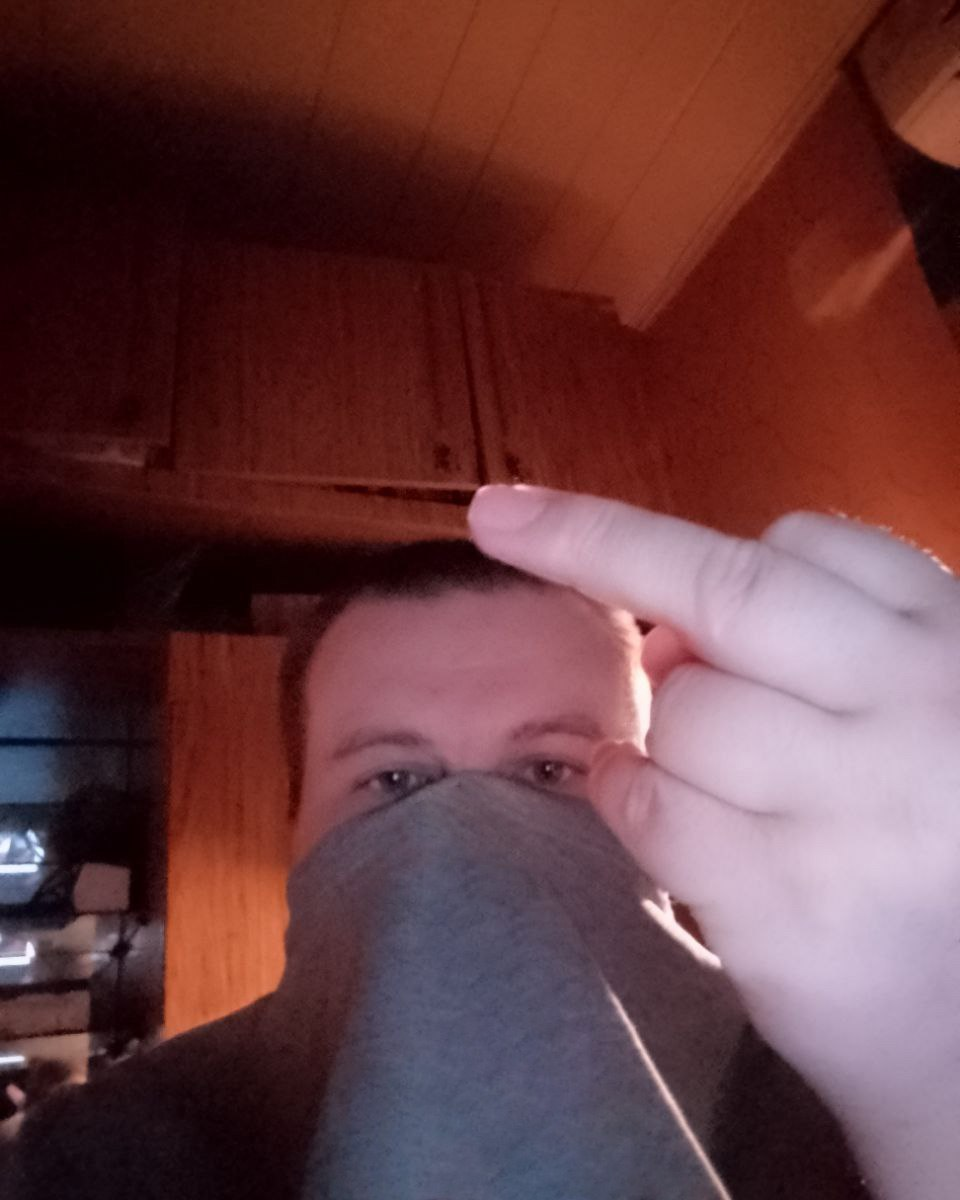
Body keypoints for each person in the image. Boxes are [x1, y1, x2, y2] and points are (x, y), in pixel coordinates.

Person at [5, 485, 957, 1199]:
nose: (463, 836)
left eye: (546, 770)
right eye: (396, 781)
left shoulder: (879, 1077)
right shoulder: (92, 1160)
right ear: (297, 828)